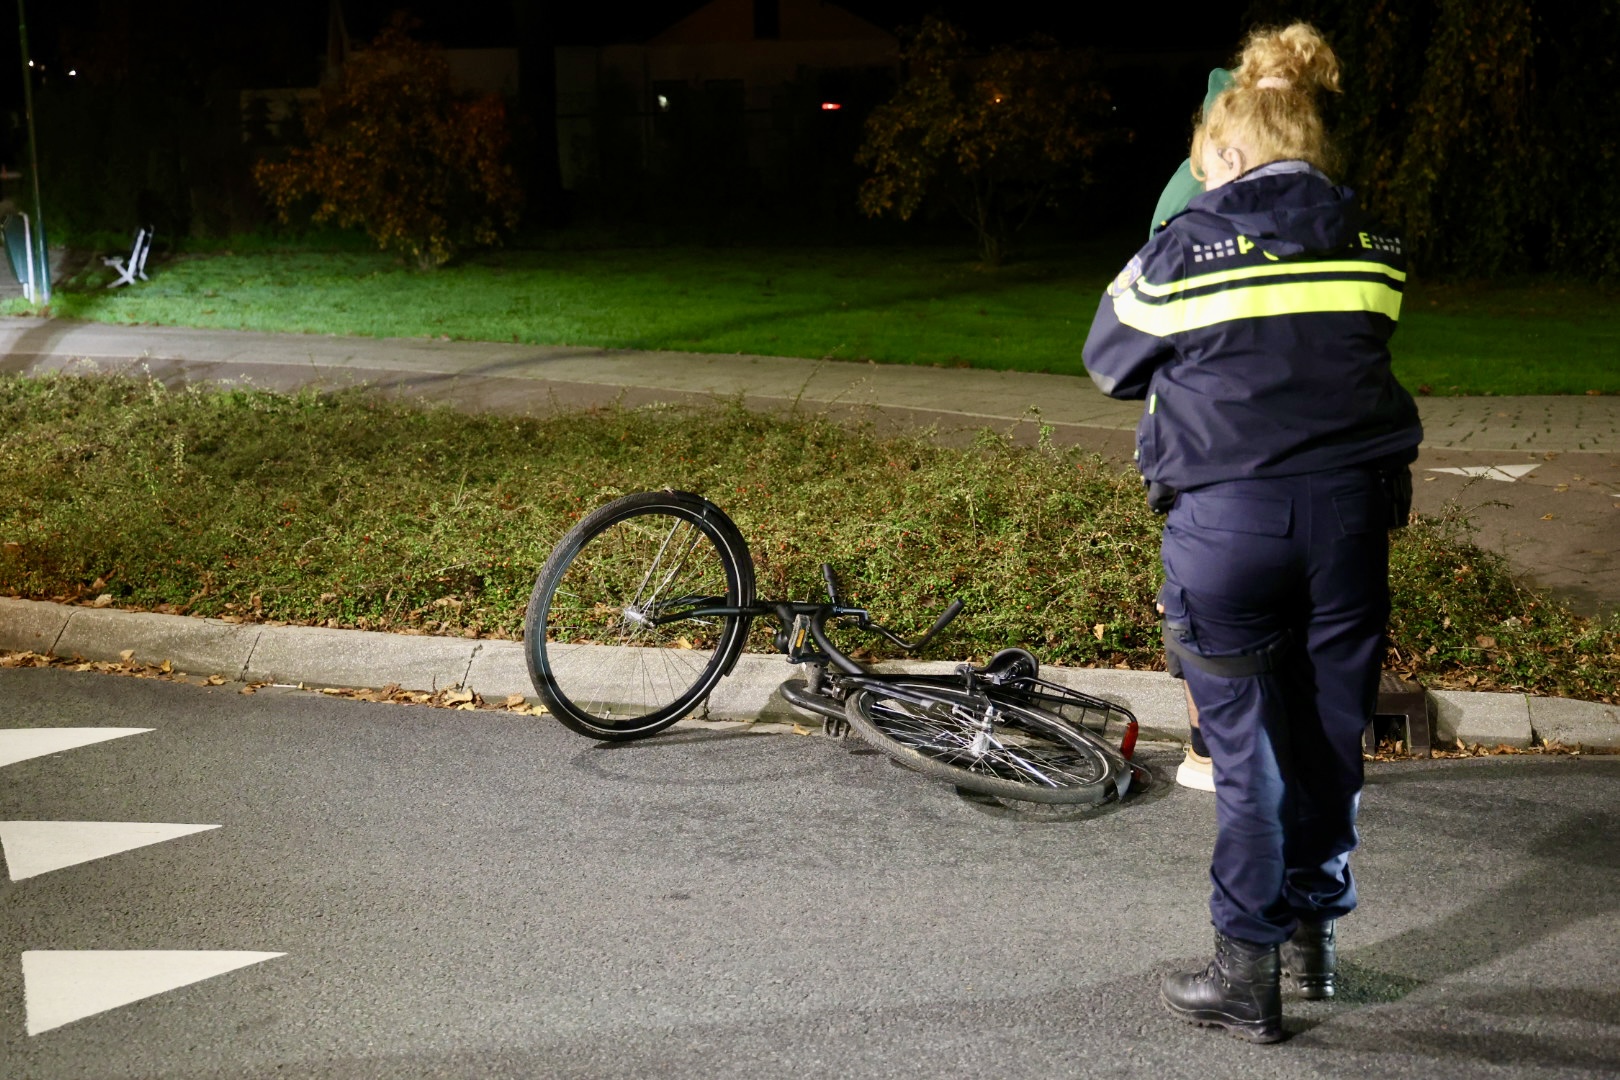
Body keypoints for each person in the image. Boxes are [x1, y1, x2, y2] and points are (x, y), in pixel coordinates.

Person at [1081, 23, 1422, 1043]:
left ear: (1226, 154)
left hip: (1231, 525)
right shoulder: (1377, 247)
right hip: (1350, 521)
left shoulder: (1187, 246)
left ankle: (1245, 972)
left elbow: (1109, 360)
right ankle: (1315, 941)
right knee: (1329, 738)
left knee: (1247, 750)